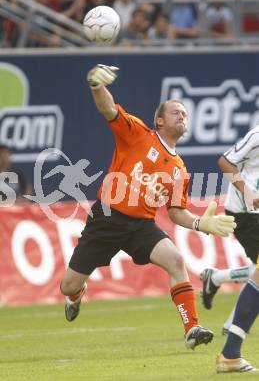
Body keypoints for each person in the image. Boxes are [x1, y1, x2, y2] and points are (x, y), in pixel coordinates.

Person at [60, 64, 236, 350]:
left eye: (185, 114)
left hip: (140, 226)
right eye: (176, 112)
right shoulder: (138, 134)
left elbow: (176, 212)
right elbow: (108, 109)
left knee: (177, 261)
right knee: (67, 285)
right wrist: (96, 85)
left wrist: (200, 224)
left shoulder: (180, 169)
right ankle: (77, 294)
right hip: (106, 218)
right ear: (160, 120)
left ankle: (192, 328)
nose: (182, 116)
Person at [198, 126, 259, 372]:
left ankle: (218, 277)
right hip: (247, 214)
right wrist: (247, 190)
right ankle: (230, 353)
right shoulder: (258, 136)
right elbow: (225, 161)